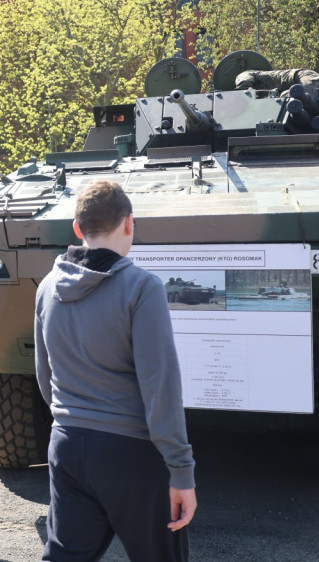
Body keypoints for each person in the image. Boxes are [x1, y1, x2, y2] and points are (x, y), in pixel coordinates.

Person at [34, 179, 196, 561]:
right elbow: (161, 386)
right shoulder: (142, 288)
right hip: (132, 453)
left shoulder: (47, 287)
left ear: (77, 229)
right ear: (129, 223)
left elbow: (44, 375)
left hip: (67, 443)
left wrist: (71, 417)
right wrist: (181, 470)